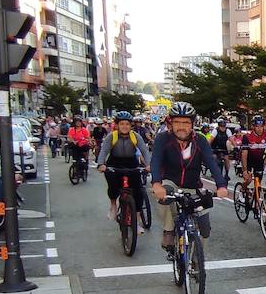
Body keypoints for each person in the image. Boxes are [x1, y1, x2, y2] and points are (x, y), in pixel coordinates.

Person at [149, 102, 226, 258]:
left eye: (186, 122)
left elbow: (211, 163)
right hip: (171, 183)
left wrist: (221, 185)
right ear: (171, 123)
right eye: (177, 122)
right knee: (165, 194)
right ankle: (169, 230)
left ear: (192, 124)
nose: (181, 126)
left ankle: (196, 260)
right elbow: (155, 161)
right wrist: (156, 183)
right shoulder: (163, 139)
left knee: (205, 229)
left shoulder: (200, 140)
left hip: (193, 187)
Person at [96, 111, 149, 221]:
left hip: (131, 162)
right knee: (113, 186)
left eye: (127, 124)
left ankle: (137, 220)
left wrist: (149, 165)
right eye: (122, 124)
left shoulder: (135, 136)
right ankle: (113, 205)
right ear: (116, 125)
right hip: (114, 162)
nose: (125, 126)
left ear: (131, 125)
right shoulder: (112, 136)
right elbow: (104, 150)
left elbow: (144, 151)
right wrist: (101, 164)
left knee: (138, 191)